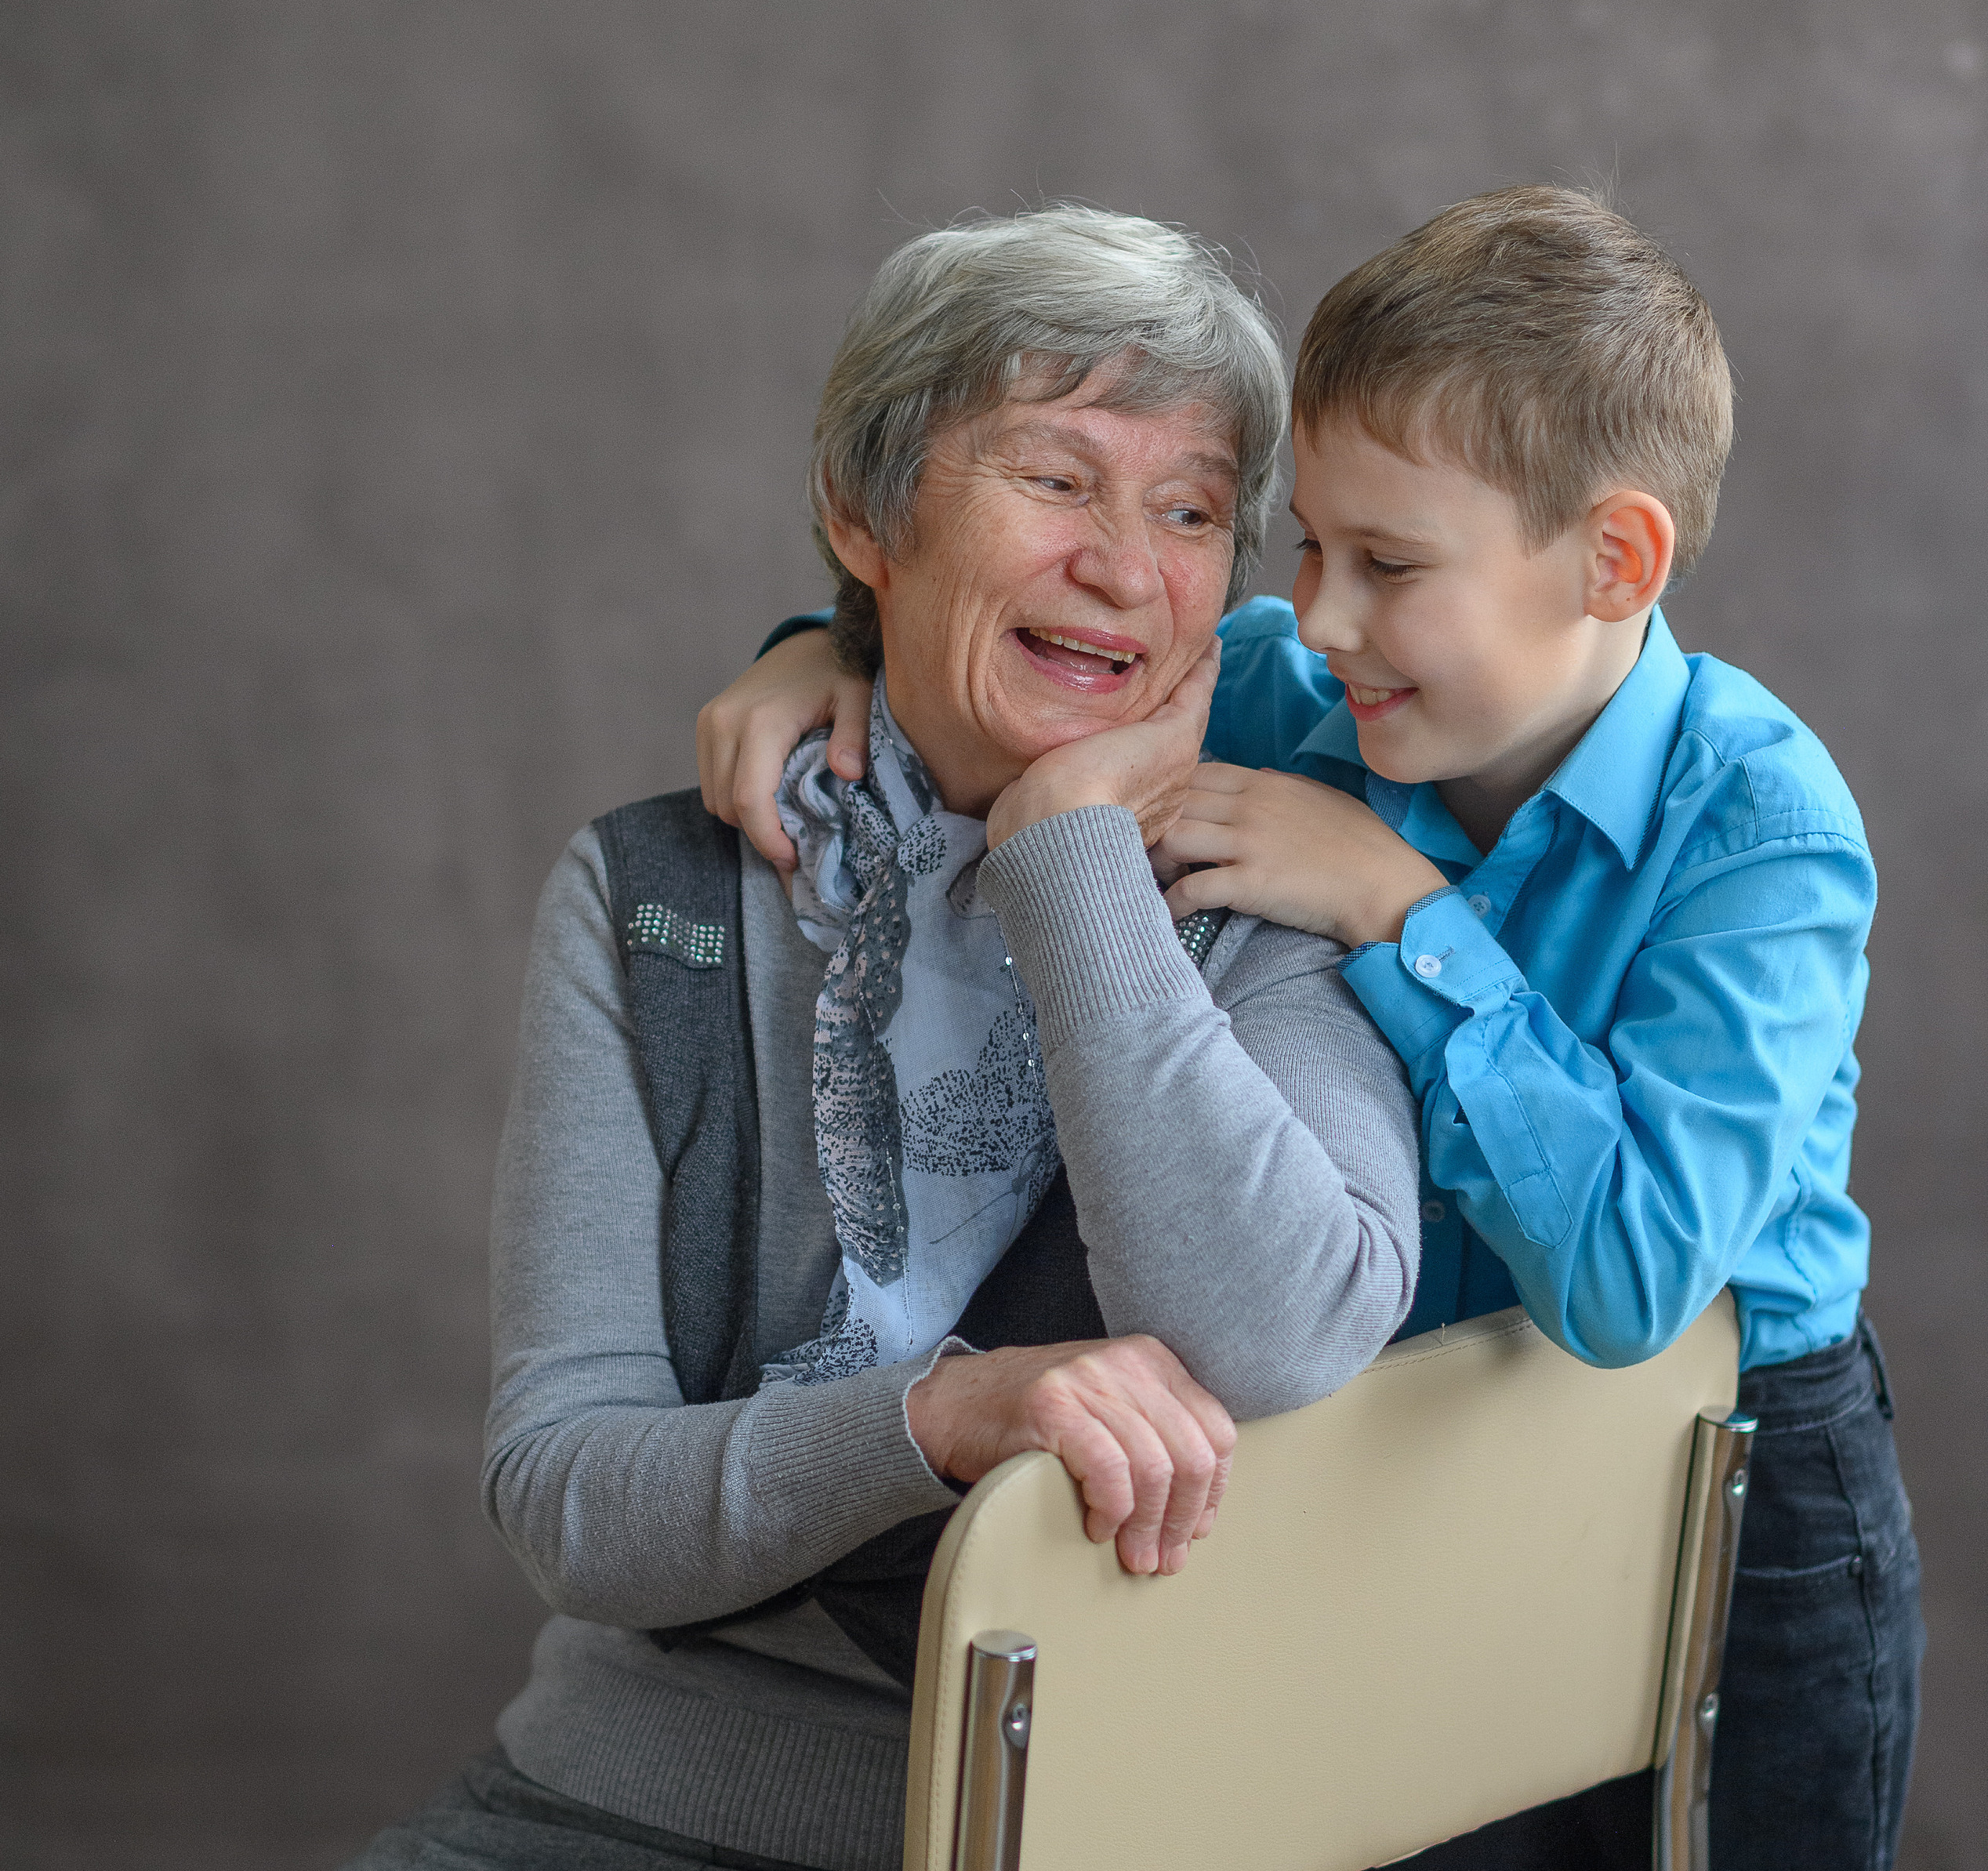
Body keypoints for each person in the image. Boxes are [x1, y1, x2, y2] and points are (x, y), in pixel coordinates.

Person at [700, 188, 1925, 1871]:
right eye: (1307, 547)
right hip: (1402, 1436)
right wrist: (810, 658)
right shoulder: (1309, 686)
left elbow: (1633, 1283)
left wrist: (1402, 915)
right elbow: (1041, 661)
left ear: (1611, 559)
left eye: (1389, 564)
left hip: (1723, 1478)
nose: (1321, 614)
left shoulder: (1759, 831)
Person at [343, 206, 1422, 1871]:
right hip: (621, 1802)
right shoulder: (655, 896)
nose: (1126, 566)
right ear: (865, 513)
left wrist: (1067, 848)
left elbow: (1277, 1335)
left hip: (1091, 1822)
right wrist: (942, 1412)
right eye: (1054, 478)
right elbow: (568, 1494)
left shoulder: (1266, 893)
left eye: (1190, 509)